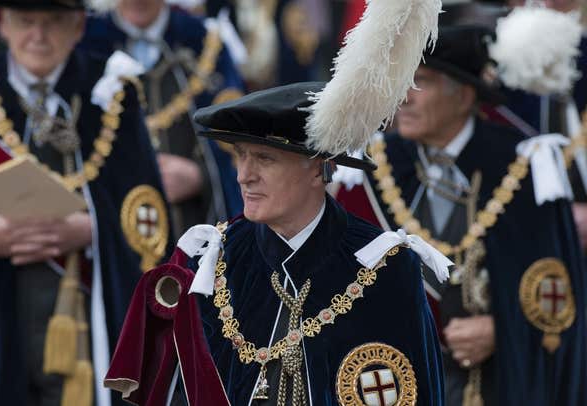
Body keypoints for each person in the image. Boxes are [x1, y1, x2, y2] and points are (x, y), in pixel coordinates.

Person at [104, 0, 449, 403]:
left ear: (315, 167)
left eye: (264, 159)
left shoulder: (384, 267)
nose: (243, 175)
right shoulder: (212, 260)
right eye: (240, 156)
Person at [336, 24, 587, 406]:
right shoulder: (368, 168)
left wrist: (504, 329)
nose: (404, 97)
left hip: (500, 385)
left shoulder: (525, 165)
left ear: (464, 94)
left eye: (421, 81)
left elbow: (558, 296)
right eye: (402, 80)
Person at [0, 0, 173, 405]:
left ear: (78, 28)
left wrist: (92, 230)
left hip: (90, 324)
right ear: (6, 25)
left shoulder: (111, 91)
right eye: (26, 21)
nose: (38, 35)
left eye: (53, 22)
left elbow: (150, 213)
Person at [79, 0, 245, 236]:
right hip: (114, 233)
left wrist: (201, 176)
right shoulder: (84, 43)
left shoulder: (205, 42)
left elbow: (238, 144)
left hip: (194, 231)